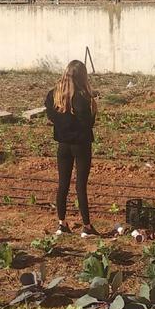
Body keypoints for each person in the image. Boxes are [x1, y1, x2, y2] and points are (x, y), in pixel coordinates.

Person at [45, 60, 98, 235]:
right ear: (82, 76)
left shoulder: (54, 95)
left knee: (63, 184)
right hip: (81, 145)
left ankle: (62, 224)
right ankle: (87, 227)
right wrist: (94, 108)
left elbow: (51, 116)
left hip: (63, 145)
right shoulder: (83, 97)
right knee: (80, 186)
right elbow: (87, 124)